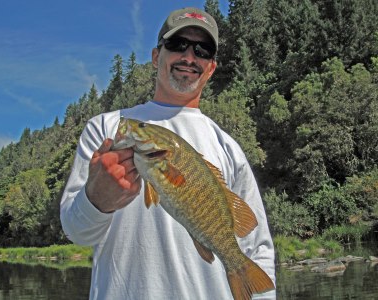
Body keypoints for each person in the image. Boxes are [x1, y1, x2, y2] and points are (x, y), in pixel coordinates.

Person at [60, 7, 276, 300]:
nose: (189, 57)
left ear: (211, 68)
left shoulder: (228, 147)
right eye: (177, 45)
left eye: (202, 50)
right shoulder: (105, 129)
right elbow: (77, 232)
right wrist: (96, 199)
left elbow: (257, 249)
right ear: (155, 56)